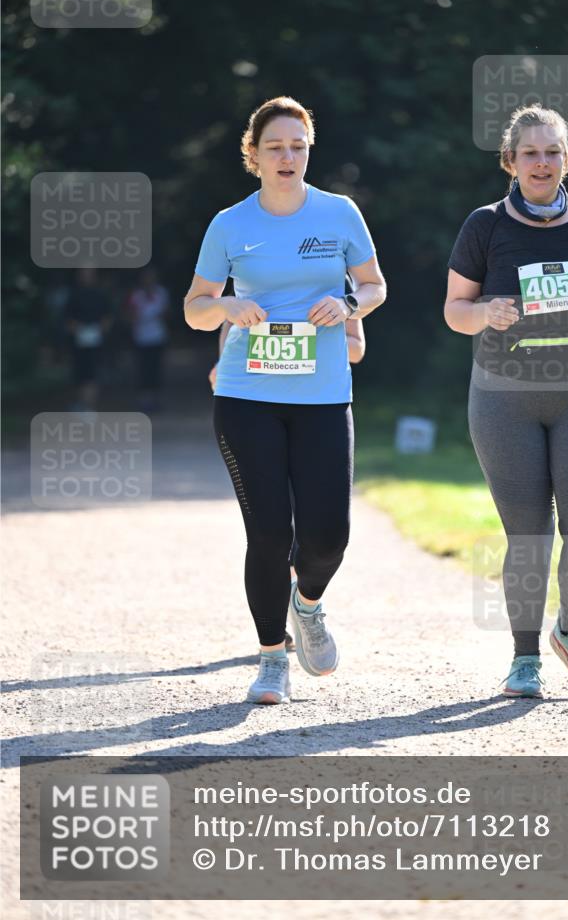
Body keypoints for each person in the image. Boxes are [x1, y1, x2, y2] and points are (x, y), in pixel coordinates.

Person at [185, 96, 385, 703]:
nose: (288, 156)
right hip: (247, 395)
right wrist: (226, 305)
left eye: (298, 145)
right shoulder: (230, 224)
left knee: (328, 537)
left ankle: (308, 603)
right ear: (254, 155)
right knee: (269, 534)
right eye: (275, 146)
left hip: (323, 395)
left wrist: (349, 305)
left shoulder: (340, 212)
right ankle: (272, 658)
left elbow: (375, 285)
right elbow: (194, 309)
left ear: (309, 150)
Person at [444, 104, 568, 698]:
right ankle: (525, 659)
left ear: (567, 159)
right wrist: (484, 313)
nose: (542, 163)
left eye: (553, 152)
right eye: (531, 153)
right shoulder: (485, 226)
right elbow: (453, 310)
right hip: (505, 401)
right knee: (528, 535)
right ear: (510, 162)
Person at [208, 308, 367, 654]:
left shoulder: (333, 279)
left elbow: (356, 348)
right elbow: (230, 330)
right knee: (272, 530)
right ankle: (275, 634)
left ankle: (304, 601)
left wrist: (307, 335)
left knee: (320, 533)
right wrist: (226, 362)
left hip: (317, 406)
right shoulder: (255, 274)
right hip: (256, 406)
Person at [64, 267, 113, 414]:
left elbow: (108, 316)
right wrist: (77, 330)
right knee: (80, 373)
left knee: (92, 373)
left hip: (96, 339)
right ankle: (81, 403)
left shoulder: (101, 294)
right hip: (78, 339)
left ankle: (89, 406)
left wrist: (99, 330)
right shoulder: (73, 294)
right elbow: (67, 317)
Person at [126, 267, 170, 412]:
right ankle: (144, 400)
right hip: (141, 338)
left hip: (157, 337)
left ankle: (156, 398)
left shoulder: (161, 293)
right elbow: (130, 316)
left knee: (155, 368)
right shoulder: (136, 295)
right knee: (143, 369)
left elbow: (167, 313)